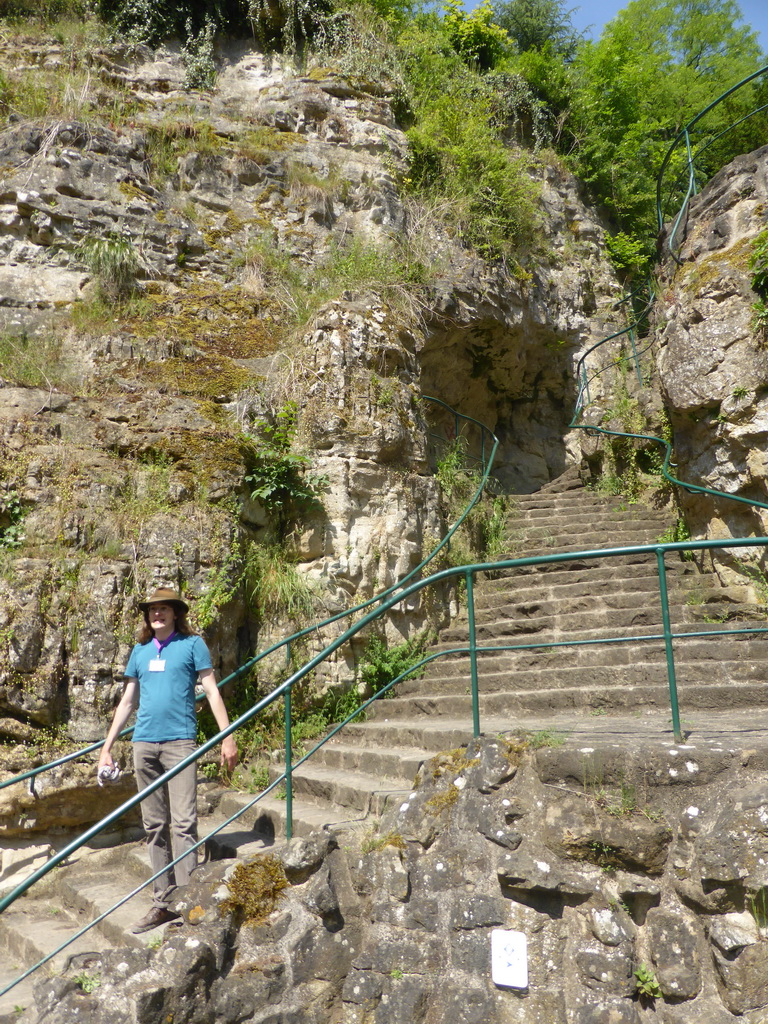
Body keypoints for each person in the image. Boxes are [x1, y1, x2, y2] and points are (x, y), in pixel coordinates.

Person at [97, 587, 238, 933]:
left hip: (179, 743)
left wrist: (227, 736)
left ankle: (191, 901)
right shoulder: (141, 651)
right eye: (152, 609)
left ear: (176, 613)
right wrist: (107, 747)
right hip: (144, 745)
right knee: (154, 826)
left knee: (184, 823)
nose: (157, 614)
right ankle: (163, 902)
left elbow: (211, 689)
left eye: (164, 609)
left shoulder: (192, 645)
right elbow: (128, 702)